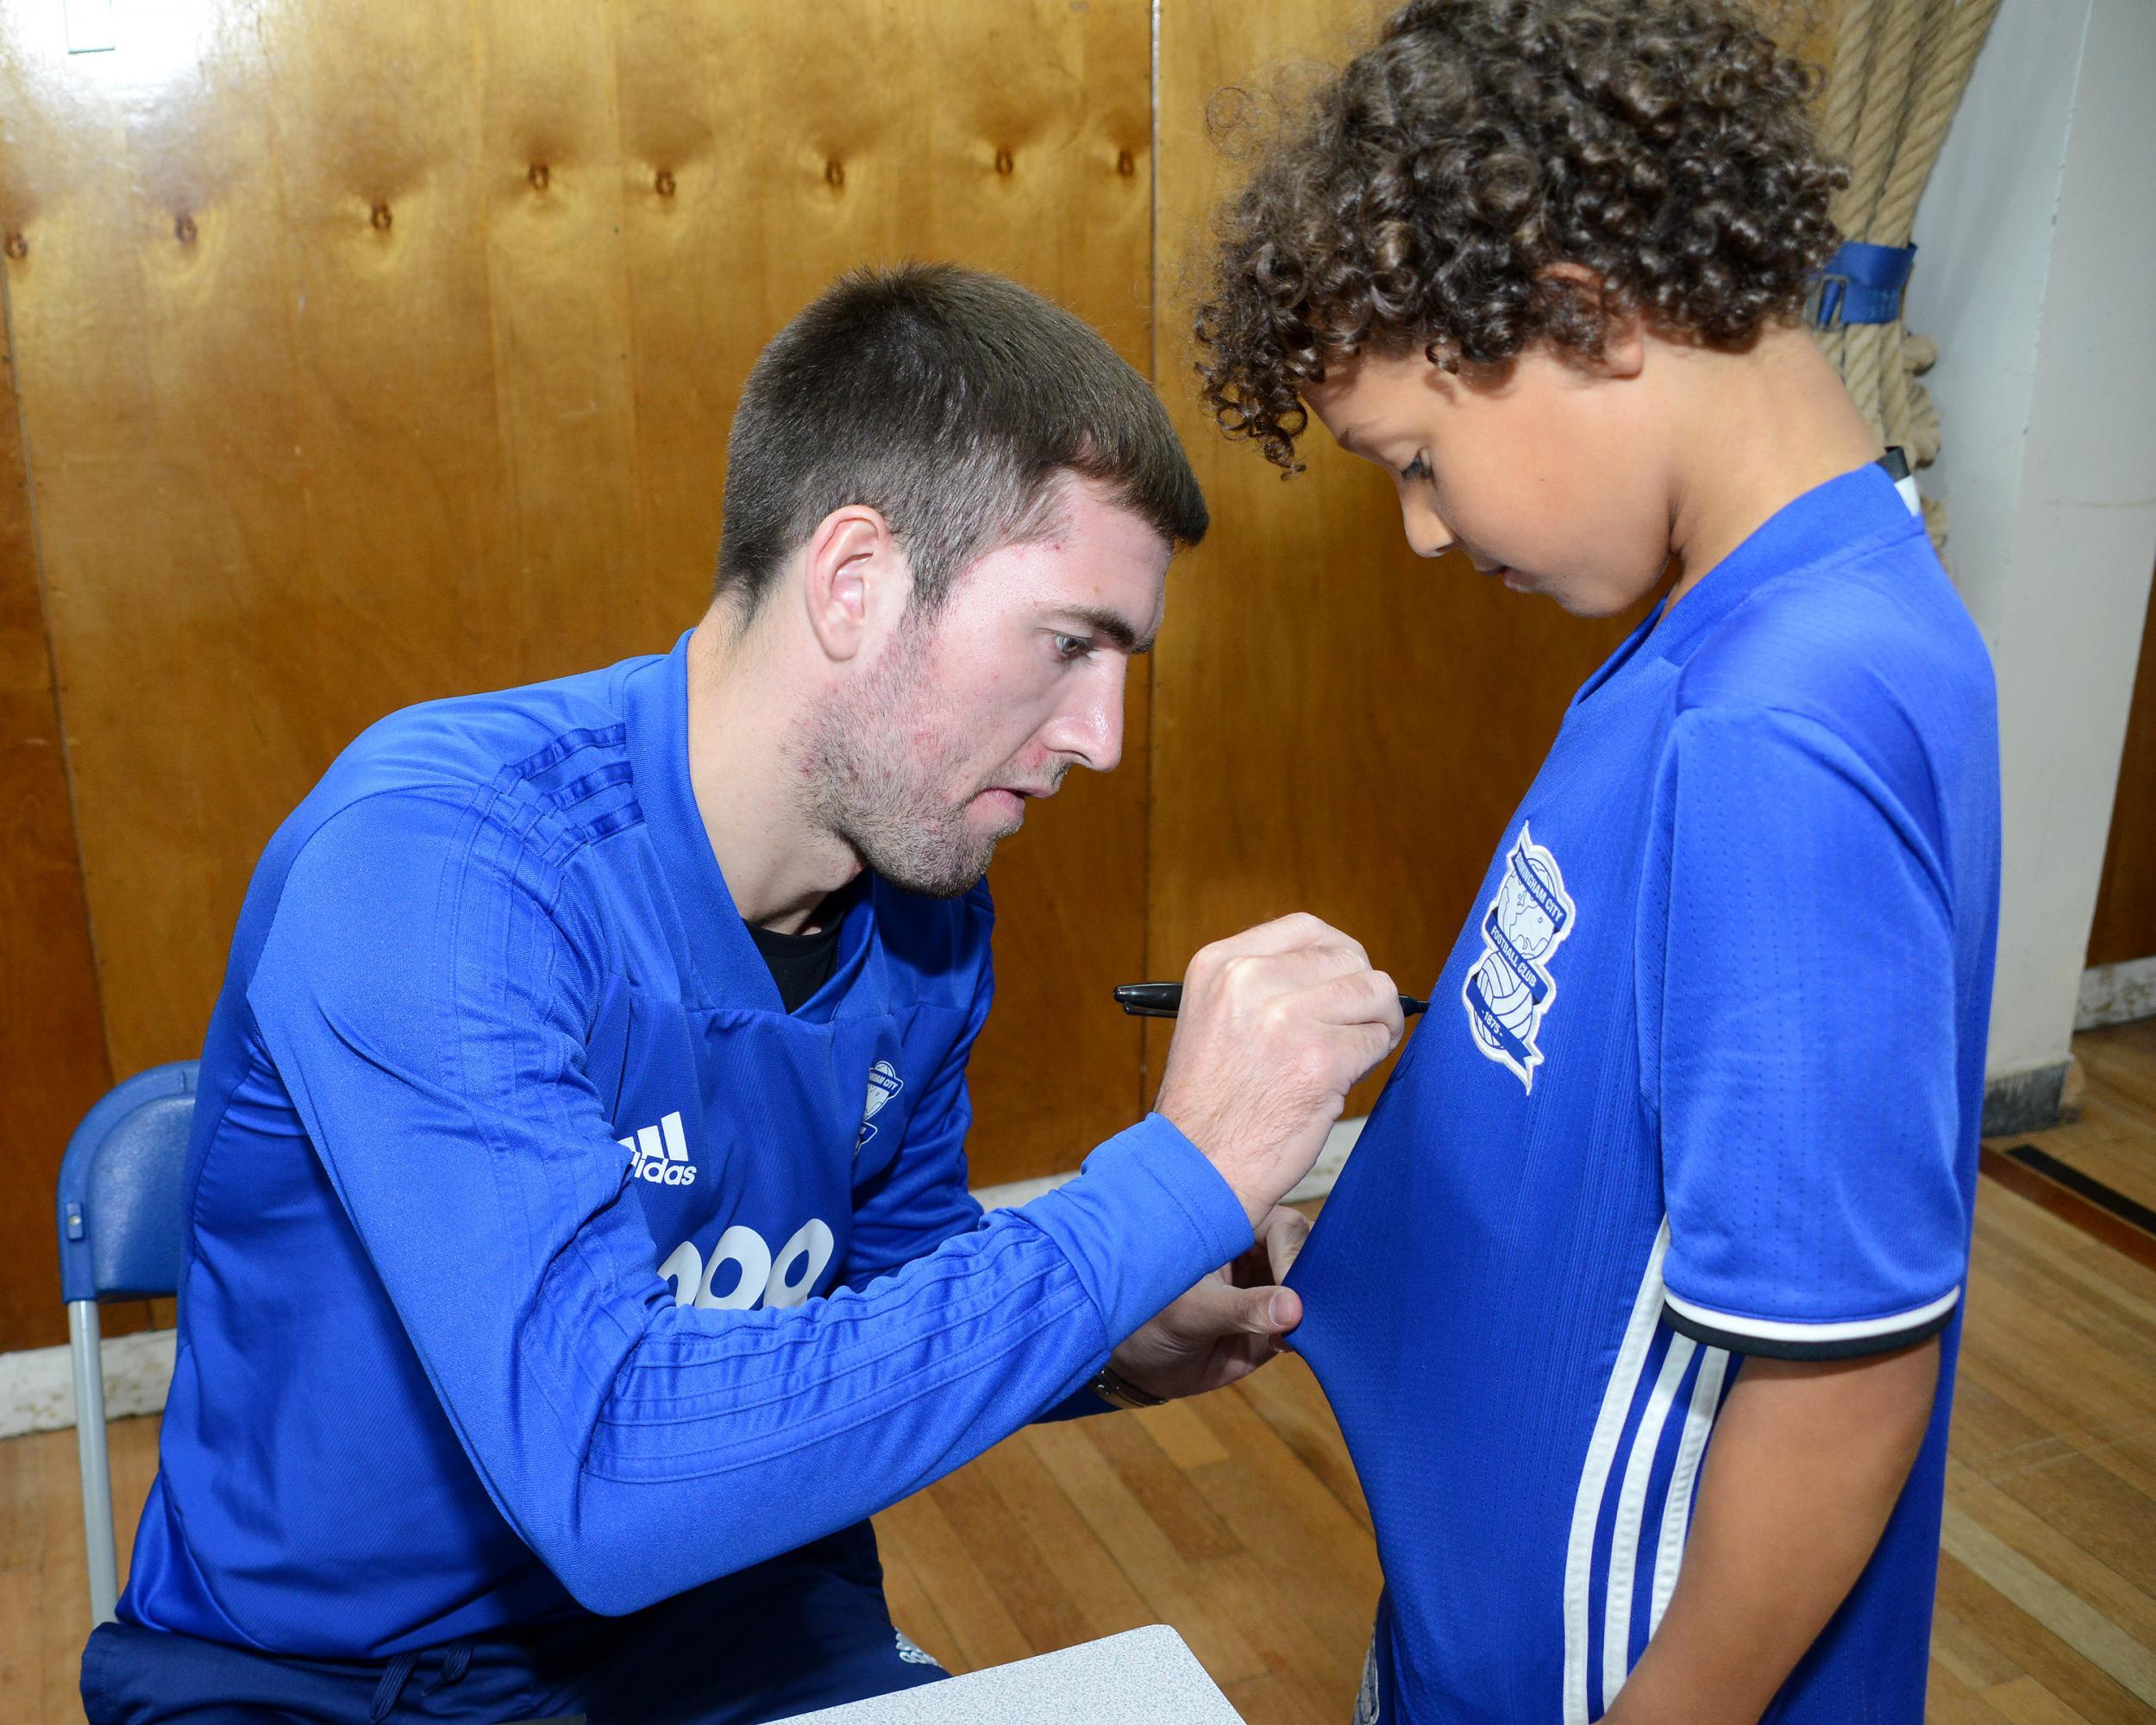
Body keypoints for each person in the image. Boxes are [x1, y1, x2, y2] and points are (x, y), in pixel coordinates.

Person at [85, 264, 1407, 1725]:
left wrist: (1111, 1342)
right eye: (1070, 643)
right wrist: (1170, 1182)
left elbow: (883, 1298)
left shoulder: (929, 906)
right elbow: (603, 1472)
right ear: (855, 581)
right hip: (314, 1682)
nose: (1100, 738)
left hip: (722, 1626)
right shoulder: (435, 860)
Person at [1194, 4, 2000, 1722]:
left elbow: (1841, 1370)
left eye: (1416, 461)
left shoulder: (1780, 722)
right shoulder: (1729, 622)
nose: (1420, 528)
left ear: (1579, 308)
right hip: (1499, 1623)